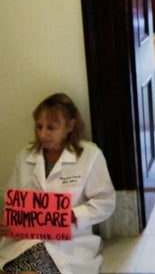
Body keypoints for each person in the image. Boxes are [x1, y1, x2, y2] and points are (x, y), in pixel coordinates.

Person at [0, 93, 116, 274]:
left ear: (70, 126)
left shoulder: (90, 156)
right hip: (26, 240)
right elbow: (12, 199)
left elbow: (105, 203)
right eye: (39, 127)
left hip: (67, 242)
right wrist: (9, 223)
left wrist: (73, 215)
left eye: (51, 128)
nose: (43, 134)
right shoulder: (24, 156)